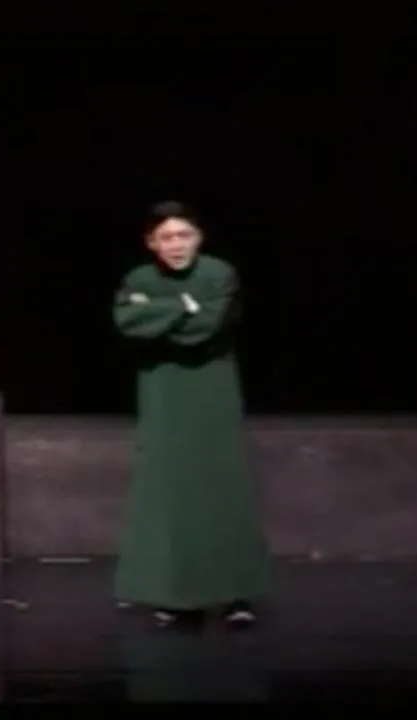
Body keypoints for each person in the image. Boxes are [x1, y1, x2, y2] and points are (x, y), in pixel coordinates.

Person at [110, 201, 270, 628]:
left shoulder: (218, 273)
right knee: (170, 492)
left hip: (211, 385)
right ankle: (177, 596)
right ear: (151, 243)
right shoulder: (139, 279)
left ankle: (236, 593)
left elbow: (205, 329)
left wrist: (159, 311)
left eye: (184, 236)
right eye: (166, 237)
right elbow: (130, 324)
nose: (176, 245)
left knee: (221, 484)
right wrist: (183, 306)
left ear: (199, 238)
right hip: (162, 388)